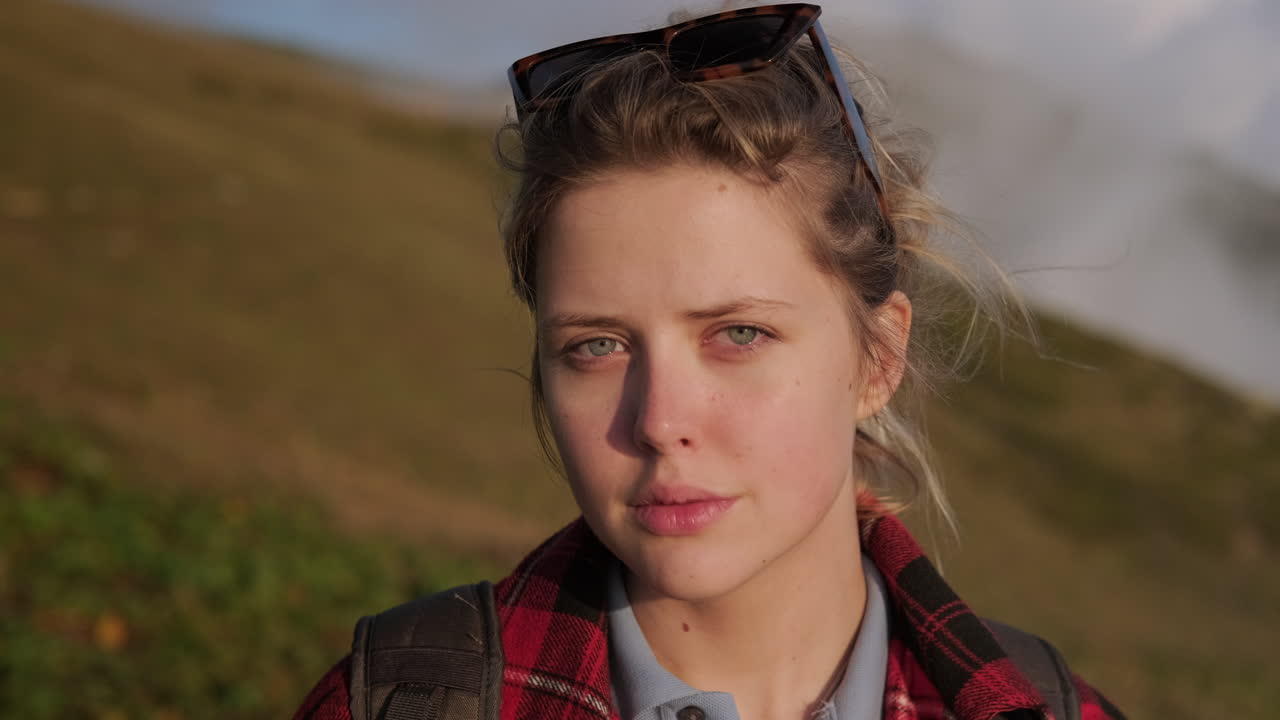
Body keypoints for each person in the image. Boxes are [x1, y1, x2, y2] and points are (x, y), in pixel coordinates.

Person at [293, 4, 1125, 720]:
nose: (660, 421)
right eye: (598, 345)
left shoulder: (1052, 710)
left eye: (738, 334)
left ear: (878, 358)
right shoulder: (401, 703)